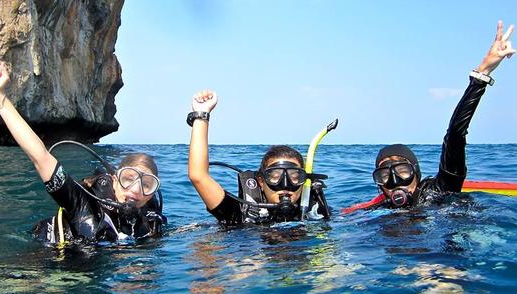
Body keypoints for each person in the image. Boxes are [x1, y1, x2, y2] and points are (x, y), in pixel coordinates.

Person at [0, 63, 166, 243]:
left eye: (147, 184)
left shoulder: (146, 219)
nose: (136, 190)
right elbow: (41, 157)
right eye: (128, 178)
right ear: (114, 179)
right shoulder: (82, 202)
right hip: (43, 266)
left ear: (152, 193)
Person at [345, 21, 515, 212]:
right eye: (384, 176)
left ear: (416, 172)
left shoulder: (439, 191)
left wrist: (482, 74)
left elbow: (455, 135)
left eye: (403, 171)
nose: (395, 182)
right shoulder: (375, 212)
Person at [187, 90, 330, 225]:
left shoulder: (315, 214)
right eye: (275, 176)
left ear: (304, 181)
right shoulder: (240, 214)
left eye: (294, 177)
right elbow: (198, 176)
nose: (285, 185)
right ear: (261, 181)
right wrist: (201, 115)